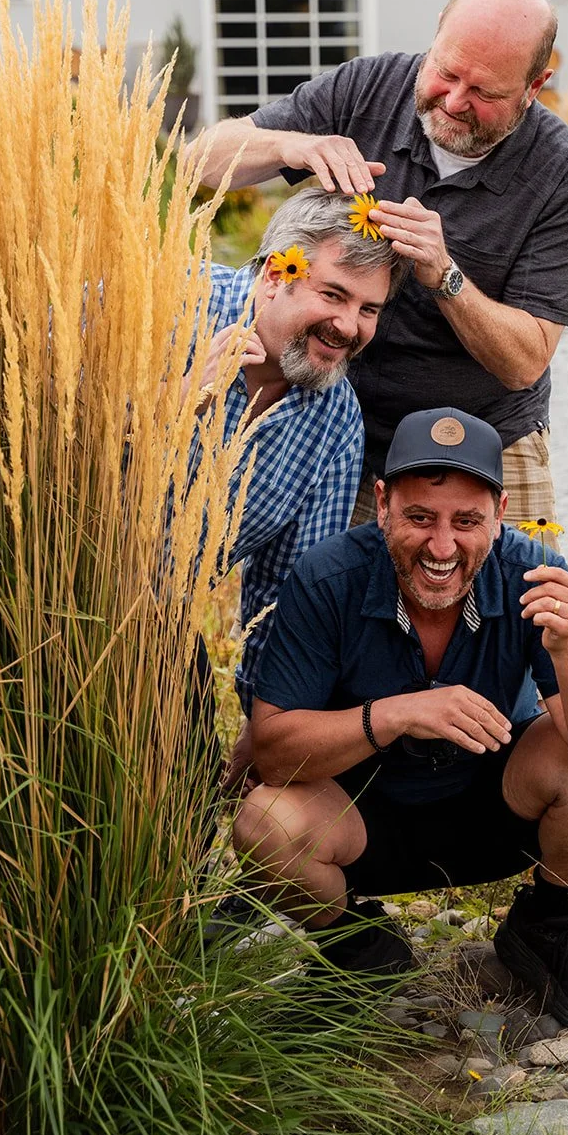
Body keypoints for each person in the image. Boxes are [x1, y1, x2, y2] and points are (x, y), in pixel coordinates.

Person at [230, 407, 568, 1026]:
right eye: (419, 518)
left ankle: (550, 923)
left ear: (500, 516)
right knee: (264, 823)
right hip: (366, 821)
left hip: (498, 814)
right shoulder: (325, 576)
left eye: (466, 522)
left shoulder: (532, 576)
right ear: (384, 504)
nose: (442, 547)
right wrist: (395, 714)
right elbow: (273, 754)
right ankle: (357, 947)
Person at [187, 0, 568, 525]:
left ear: (534, 85)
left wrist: (444, 275)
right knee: (330, 605)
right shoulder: (368, 87)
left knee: (521, 608)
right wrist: (294, 144)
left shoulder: (564, 176)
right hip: (339, 430)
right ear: (434, 39)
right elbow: (199, 161)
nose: (455, 100)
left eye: (485, 93)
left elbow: (525, 362)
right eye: (446, 72)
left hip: (488, 440)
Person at [188, 186, 403, 731]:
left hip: (150, 628)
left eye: (368, 309)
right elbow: (33, 398)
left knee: (188, 794)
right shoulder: (171, 296)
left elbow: (287, 597)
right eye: (333, 295)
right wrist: (180, 397)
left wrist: (269, 727)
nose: (350, 327)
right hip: (24, 584)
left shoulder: (335, 422)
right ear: (273, 277)